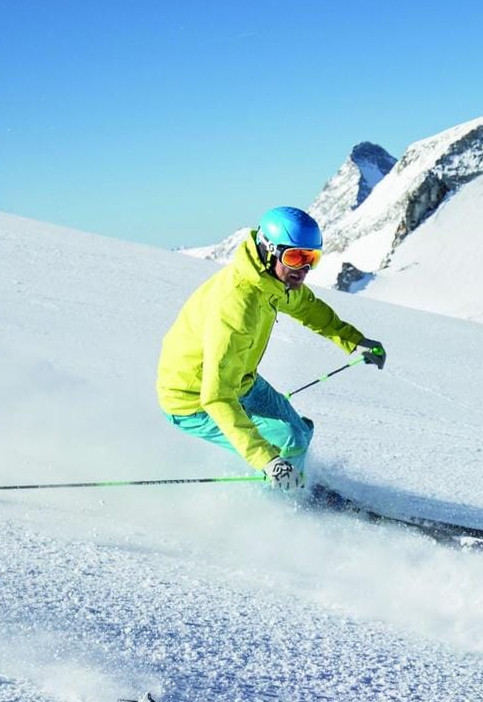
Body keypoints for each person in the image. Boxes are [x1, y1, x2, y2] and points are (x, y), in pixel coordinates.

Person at [156, 206, 385, 491]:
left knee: (299, 432)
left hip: (239, 379)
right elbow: (215, 397)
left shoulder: (272, 282)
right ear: (268, 250)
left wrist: (354, 341)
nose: (303, 269)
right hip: (192, 398)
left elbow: (306, 307)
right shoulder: (237, 309)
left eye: (311, 258)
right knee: (288, 441)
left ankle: (298, 485)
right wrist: (266, 459)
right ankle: (279, 510)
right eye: (295, 257)